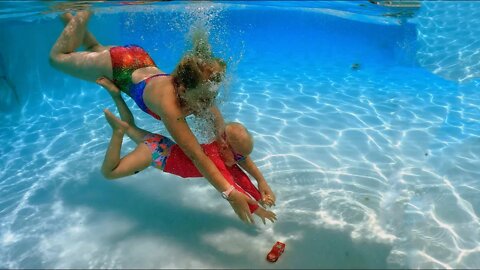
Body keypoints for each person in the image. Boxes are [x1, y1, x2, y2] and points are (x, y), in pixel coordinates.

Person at [49, 11, 259, 223]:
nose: (208, 104)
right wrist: (229, 195)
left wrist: (258, 180)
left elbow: (226, 141)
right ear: (183, 90)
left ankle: (71, 19)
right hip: (118, 66)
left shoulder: (201, 92)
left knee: (93, 50)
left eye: (211, 97)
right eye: (204, 99)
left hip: (138, 59)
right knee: (56, 59)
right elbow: (197, 156)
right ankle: (84, 11)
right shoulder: (170, 106)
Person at [97, 77, 277, 224]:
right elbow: (233, 186)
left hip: (162, 145)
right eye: (239, 156)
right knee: (110, 172)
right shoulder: (215, 159)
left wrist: (259, 192)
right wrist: (258, 209)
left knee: (129, 126)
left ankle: (116, 95)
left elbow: (240, 174)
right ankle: (117, 133)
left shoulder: (222, 150)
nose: (241, 160)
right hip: (156, 155)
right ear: (225, 146)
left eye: (243, 157)